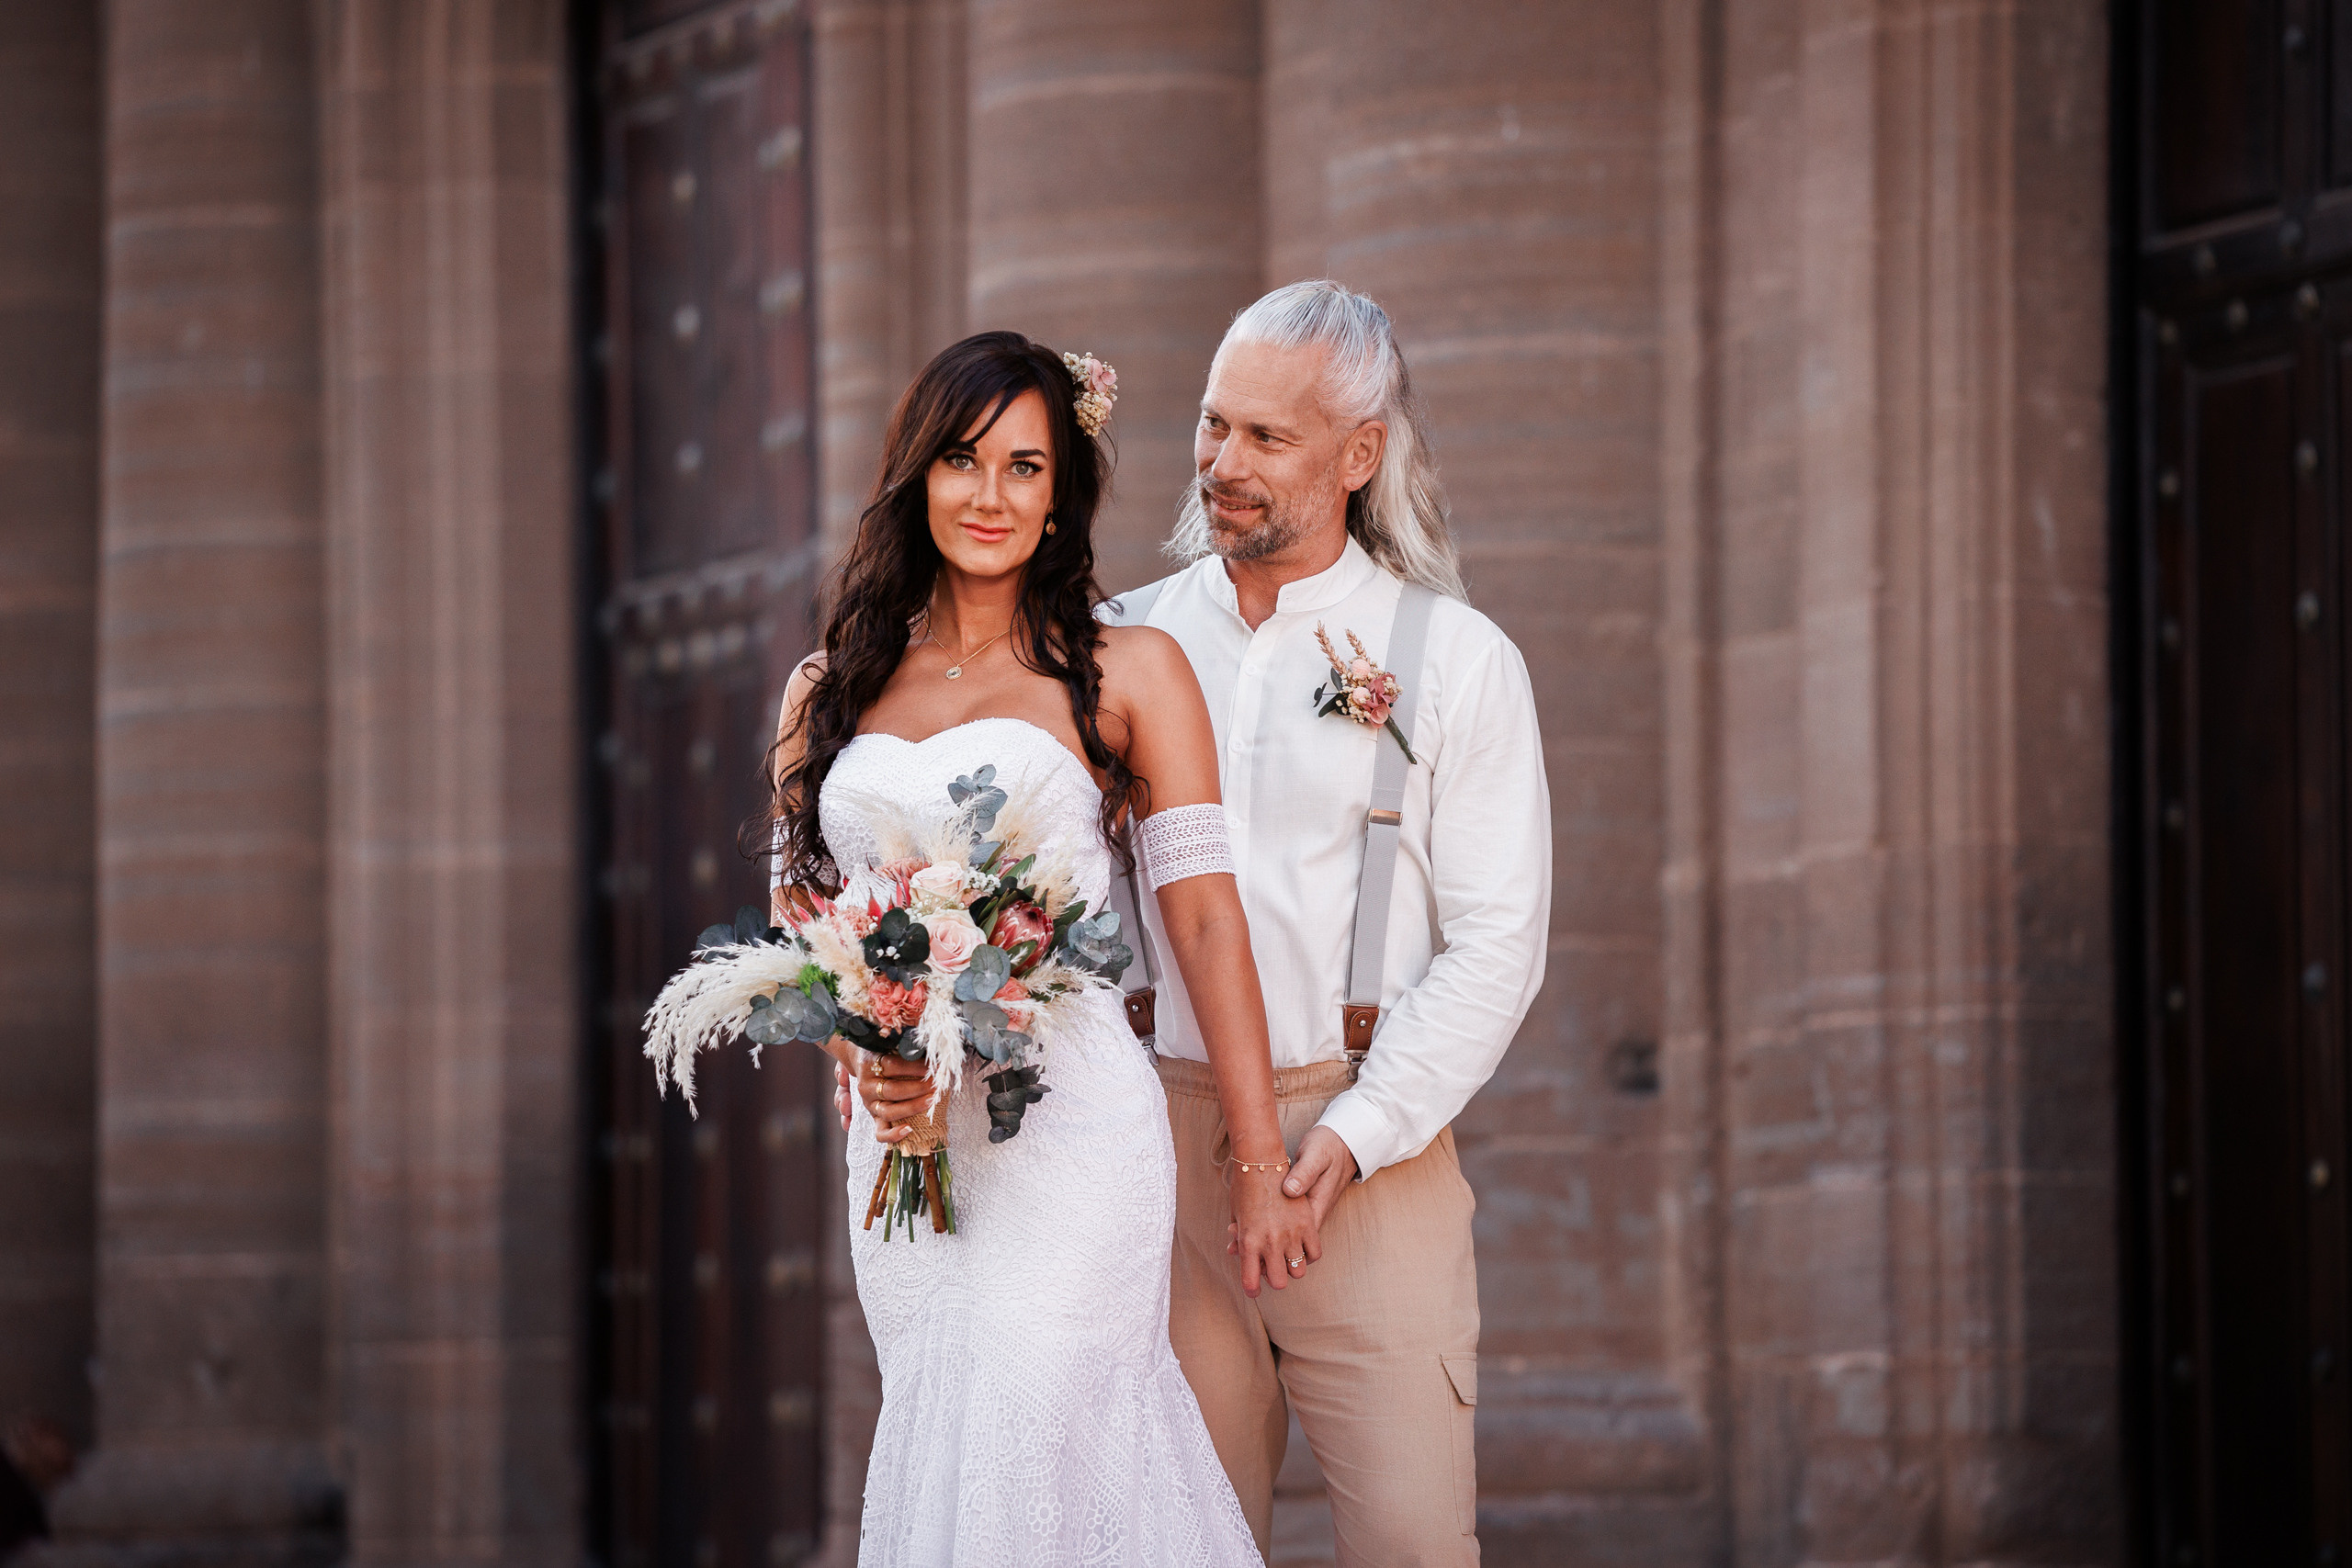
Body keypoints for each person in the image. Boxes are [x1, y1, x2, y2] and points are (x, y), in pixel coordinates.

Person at [767, 331, 1305, 1566]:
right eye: (964, 461)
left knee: (1045, 1414)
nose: (992, 495)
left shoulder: (1129, 670)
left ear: (1062, 488)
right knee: (946, 1425)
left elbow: (1206, 921)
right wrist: (872, 1053)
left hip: (1071, 1137)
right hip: (906, 1155)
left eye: (1025, 465)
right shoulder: (826, 691)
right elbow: (807, 935)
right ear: (919, 476)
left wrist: (1260, 1156)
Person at [1104, 279, 1548, 1562]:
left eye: (1267, 438)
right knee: (1174, 1547)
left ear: (1360, 455)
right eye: (1212, 426)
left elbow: (1498, 946)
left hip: (1372, 1153)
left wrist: (1350, 1138)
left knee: (1413, 1548)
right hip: (1158, 1157)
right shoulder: (1119, 641)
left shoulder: (1457, 660)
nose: (1222, 465)